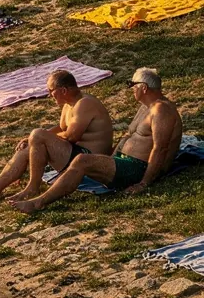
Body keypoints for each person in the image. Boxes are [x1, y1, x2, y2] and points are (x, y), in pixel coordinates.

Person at [10, 68, 182, 214]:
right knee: (79, 159)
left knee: (81, 161)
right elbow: (128, 138)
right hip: (123, 163)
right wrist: (112, 158)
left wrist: (144, 183)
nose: (130, 89)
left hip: (137, 168)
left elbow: (160, 148)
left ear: (143, 88)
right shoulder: (147, 108)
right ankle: (19, 188)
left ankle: (39, 202)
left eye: (132, 85)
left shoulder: (161, 111)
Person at [0, 70, 114, 202]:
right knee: (30, 143)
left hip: (89, 159)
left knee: (37, 134)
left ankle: (32, 187)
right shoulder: (69, 104)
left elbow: (71, 136)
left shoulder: (85, 104)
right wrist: (33, 139)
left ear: (63, 90)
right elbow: (62, 128)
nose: (49, 95)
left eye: (51, 91)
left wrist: (39, 137)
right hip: (75, 153)